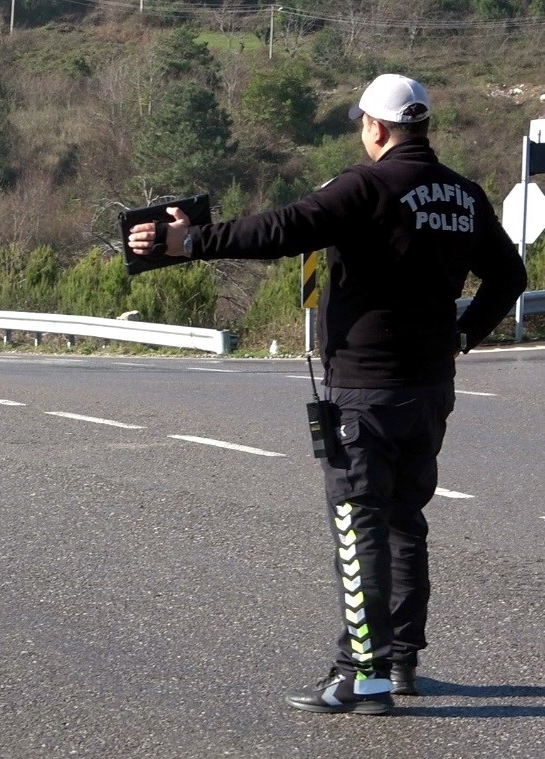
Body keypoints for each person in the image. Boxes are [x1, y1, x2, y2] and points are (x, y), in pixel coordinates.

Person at [127, 73, 527, 715]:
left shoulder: (367, 185)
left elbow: (283, 228)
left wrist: (192, 241)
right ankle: (399, 663)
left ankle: (359, 673)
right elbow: (510, 275)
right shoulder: (464, 194)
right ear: (422, 126)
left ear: (375, 127)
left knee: (359, 521)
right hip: (429, 388)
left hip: (364, 390)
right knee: (404, 521)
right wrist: (462, 335)